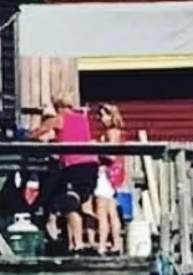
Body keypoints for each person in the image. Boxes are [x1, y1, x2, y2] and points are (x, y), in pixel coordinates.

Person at [36, 92, 98, 251]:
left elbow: (37, 133)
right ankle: (74, 243)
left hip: (75, 166)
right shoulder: (82, 119)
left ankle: (78, 243)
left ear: (57, 107)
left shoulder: (59, 119)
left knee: (69, 205)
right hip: (91, 165)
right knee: (76, 202)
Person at [93, 103, 128, 254]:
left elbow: (111, 155)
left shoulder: (112, 132)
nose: (101, 119)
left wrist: (96, 149)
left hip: (107, 173)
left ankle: (102, 244)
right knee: (111, 211)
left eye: (103, 115)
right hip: (113, 175)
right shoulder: (117, 132)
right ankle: (116, 244)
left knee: (101, 210)